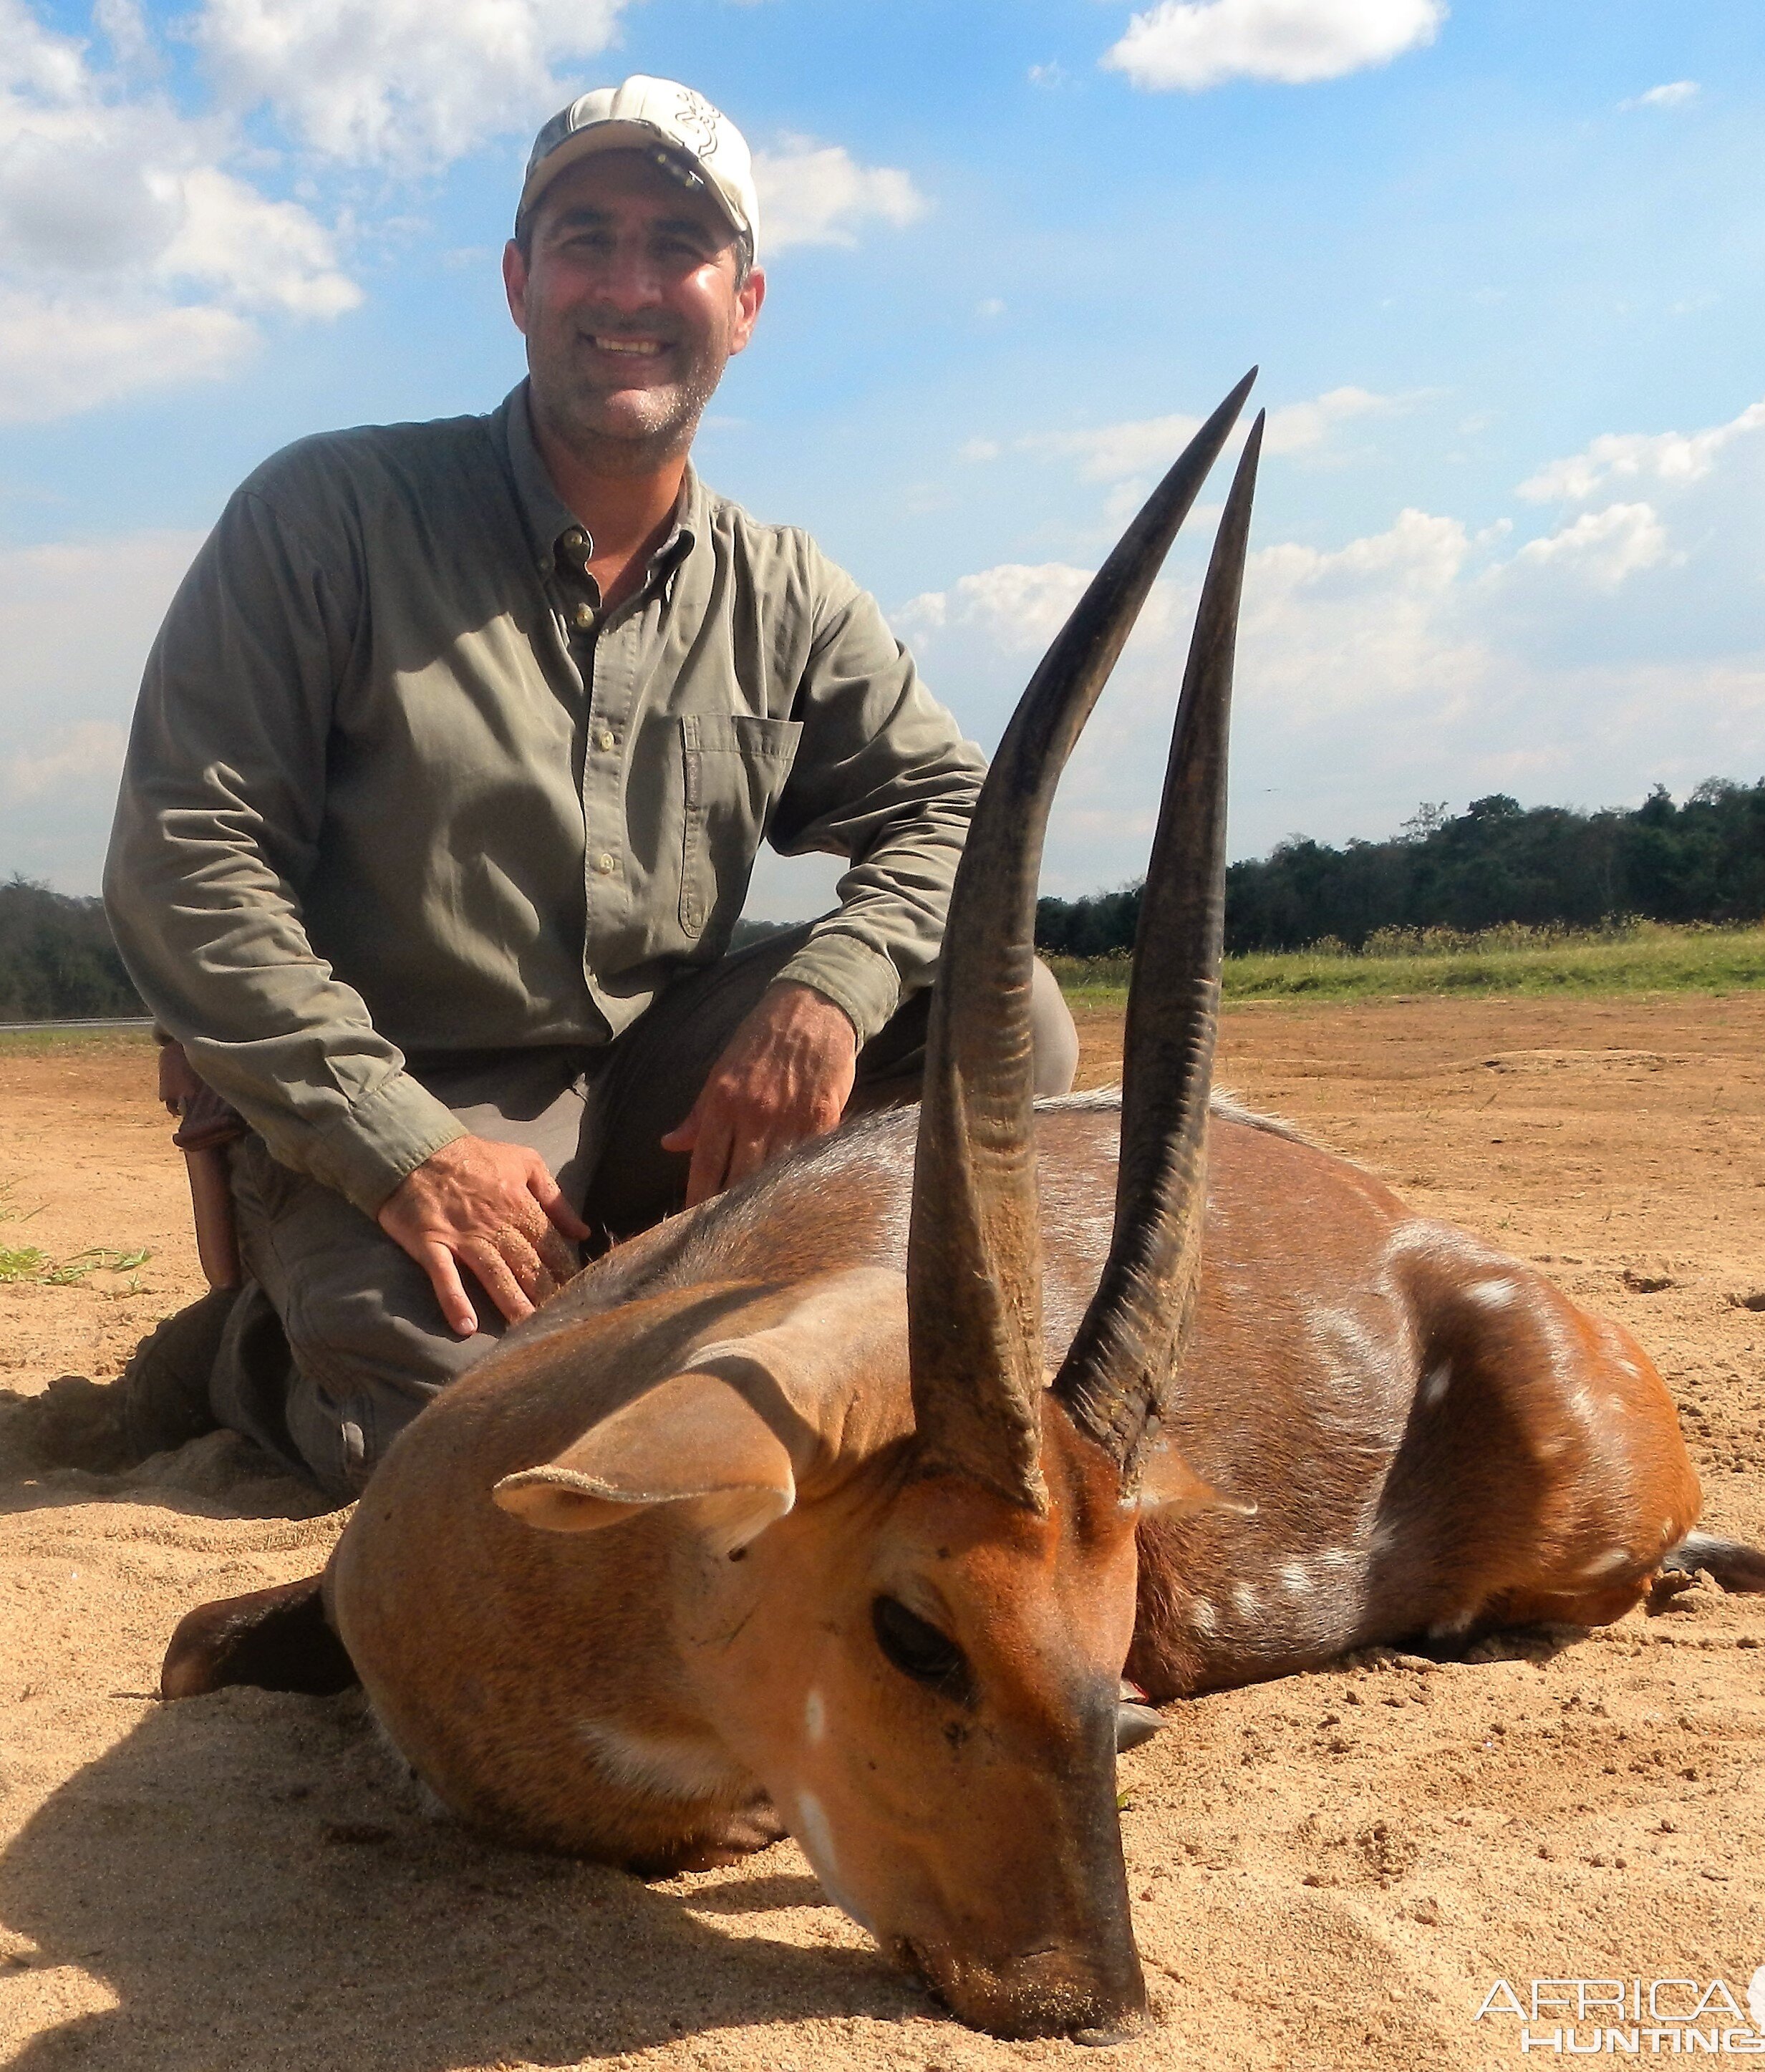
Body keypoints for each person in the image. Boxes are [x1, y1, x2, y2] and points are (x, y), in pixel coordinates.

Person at [103, 76, 1078, 1501]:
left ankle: (635, 1294)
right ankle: (262, 1349)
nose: (629, 287)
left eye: (677, 244)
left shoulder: (786, 590)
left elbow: (963, 819)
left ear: (743, 301)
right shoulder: (329, 515)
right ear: (516, 283)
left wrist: (827, 998)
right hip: (402, 1093)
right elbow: (187, 857)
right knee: (473, 1444)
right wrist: (401, 1151)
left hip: (660, 1091)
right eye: (584, 239)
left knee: (1012, 1016)